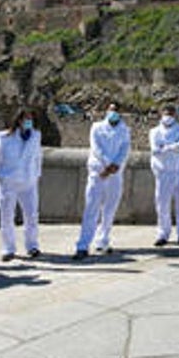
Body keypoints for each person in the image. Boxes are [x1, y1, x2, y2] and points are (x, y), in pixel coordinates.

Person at [74, 103, 130, 259]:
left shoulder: (125, 130)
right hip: (98, 172)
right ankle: (83, 245)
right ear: (107, 111)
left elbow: (125, 149)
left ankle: (102, 241)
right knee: (91, 208)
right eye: (111, 110)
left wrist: (115, 165)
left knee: (109, 210)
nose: (113, 113)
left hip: (115, 174)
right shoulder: (96, 127)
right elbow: (96, 148)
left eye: (116, 110)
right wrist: (107, 164)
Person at [0, 108, 44, 261]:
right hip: (9, 181)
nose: (28, 121)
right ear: (18, 120)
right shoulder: (4, 137)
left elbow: (38, 157)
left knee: (32, 215)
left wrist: (36, 175)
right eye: (25, 118)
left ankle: (32, 245)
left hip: (29, 181)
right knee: (7, 216)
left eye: (31, 119)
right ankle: (8, 248)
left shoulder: (36, 135)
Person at [149, 105, 179, 246]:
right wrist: (171, 147)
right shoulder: (154, 132)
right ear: (161, 114)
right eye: (166, 113)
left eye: (171, 113)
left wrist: (165, 147)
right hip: (163, 172)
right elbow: (155, 150)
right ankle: (163, 234)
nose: (168, 116)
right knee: (162, 204)